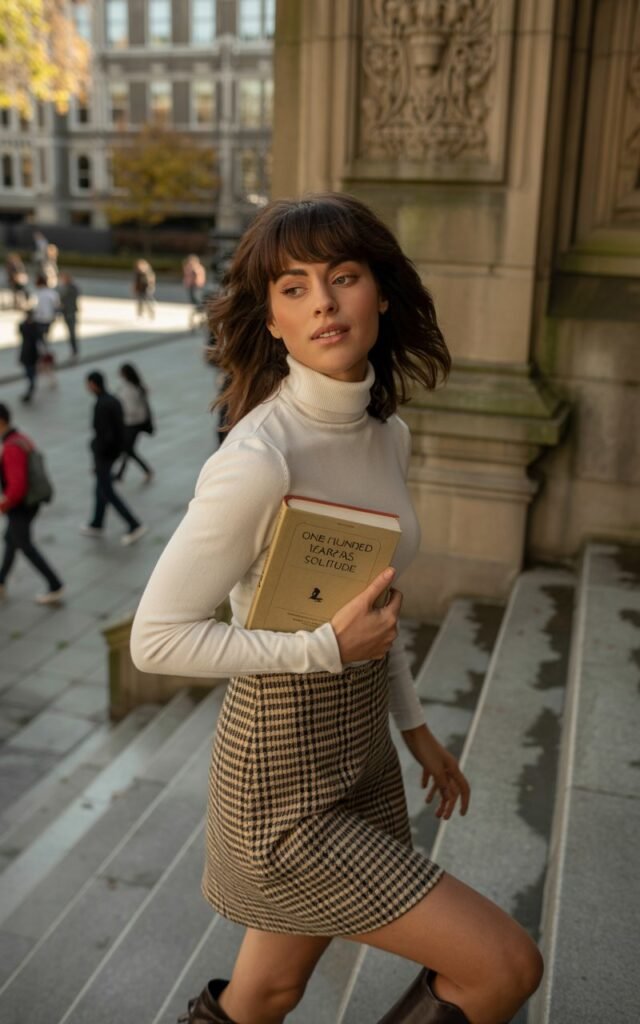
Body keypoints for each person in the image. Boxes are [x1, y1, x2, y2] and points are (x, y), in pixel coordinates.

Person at [131, 194, 543, 1024]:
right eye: (293, 288)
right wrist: (321, 648)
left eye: (342, 277)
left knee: (267, 991)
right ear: (273, 321)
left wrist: (417, 727)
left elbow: (371, 602)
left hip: (363, 756)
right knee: (503, 966)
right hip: (279, 778)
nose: (322, 301)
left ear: (379, 294)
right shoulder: (259, 458)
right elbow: (156, 639)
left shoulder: (387, 435)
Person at [0, 402, 64, 604]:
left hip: (22, 505)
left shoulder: (10, 447)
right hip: (31, 501)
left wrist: (4, 504)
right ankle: (1, 581)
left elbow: (17, 486)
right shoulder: (21, 438)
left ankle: (55, 585)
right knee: (11, 538)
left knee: (24, 544)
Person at [82, 371, 147, 546]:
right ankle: (97, 523)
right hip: (112, 453)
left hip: (105, 456)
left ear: (94, 384)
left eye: (88, 384)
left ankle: (134, 524)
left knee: (107, 491)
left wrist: (97, 454)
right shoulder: (113, 400)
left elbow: (104, 435)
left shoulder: (102, 405)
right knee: (100, 489)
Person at [113, 362, 154, 482]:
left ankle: (147, 470)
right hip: (135, 422)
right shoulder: (134, 386)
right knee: (127, 448)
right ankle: (120, 474)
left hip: (133, 423)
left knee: (128, 449)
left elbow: (130, 408)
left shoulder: (130, 389)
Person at [17, 309, 42, 404]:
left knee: (31, 372)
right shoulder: (27, 325)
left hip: (32, 353)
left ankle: (31, 387)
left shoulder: (30, 325)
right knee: (29, 372)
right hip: (27, 352)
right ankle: (31, 386)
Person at [58, 272, 81, 359]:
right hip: (66, 313)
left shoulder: (72, 288)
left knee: (72, 333)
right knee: (70, 333)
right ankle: (73, 350)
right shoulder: (65, 287)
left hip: (70, 313)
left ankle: (75, 351)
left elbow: (68, 300)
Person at [182, 254, 207, 328]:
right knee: (196, 302)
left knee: (197, 301)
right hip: (194, 286)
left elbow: (195, 275)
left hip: (195, 286)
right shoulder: (196, 267)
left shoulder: (195, 268)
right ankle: (200, 313)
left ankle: (200, 312)